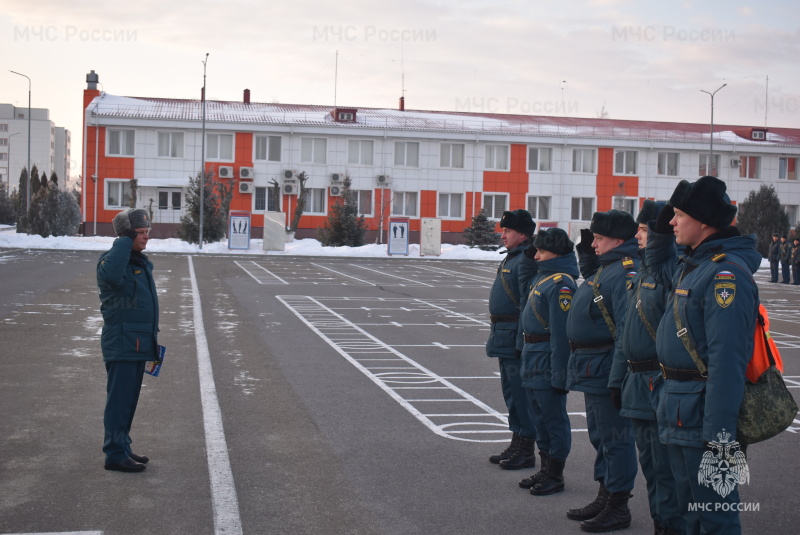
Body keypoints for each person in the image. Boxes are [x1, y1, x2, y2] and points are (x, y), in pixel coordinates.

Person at [656, 176, 760, 534]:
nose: (672, 222)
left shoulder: (724, 274)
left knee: (714, 518)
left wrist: (720, 437)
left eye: (680, 215)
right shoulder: (697, 265)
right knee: (691, 515)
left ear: (702, 222)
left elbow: (727, 361)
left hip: (703, 418)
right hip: (682, 410)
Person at [612, 200, 684, 535]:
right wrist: (617, 380)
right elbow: (625, 332)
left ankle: (670, 526)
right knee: (652, 468)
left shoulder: (672, 269)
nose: (638, 236)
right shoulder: (643, 272)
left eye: (644, 230)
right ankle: (661, 523)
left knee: (667, 470)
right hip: (636, 381)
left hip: (659, 381)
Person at [566, 209, 640, 533]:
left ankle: (618, 505)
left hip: (606, 365)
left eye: (599, 238)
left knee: (616, 438)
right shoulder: (608, 268)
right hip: (592, 366)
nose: (594, 244)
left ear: (619, 240)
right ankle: (605, 492)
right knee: (601, 436)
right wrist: (587, 253)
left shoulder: (625, 272)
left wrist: (617, 377)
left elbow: (625, 328)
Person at [97, 208, 160, 473]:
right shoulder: (111, 262)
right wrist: (124, 240)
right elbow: (112, 277)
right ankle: (114, 454)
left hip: (138, 342)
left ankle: (122, 446)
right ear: (126, 235)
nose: (146, 237)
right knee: (119, 402)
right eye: (140, 233)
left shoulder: (137, 263)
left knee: (129, 401)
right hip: (122, 343)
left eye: (147, 232)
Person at [516, 228, 578, 496]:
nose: (536, 256)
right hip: (533, 355)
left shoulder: (561, 284)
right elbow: (524, 270)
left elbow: (561, 335)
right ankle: (545, 467)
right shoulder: (542, 278)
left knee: (553, 419)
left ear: (556, 253)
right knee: (538, 418)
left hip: (546, 357)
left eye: (541, 251)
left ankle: (555, 473)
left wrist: (560, 374)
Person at [486, 209, 539, 470]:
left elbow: (528, 304)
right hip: (503, 335)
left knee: (521, 395)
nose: (502, 235)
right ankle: (517, 440)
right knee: (511, 394)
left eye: (508, 231)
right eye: (503, 230)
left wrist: (520, 341)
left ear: (523, 234)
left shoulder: (526, 261)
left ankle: (526, 448)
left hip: (514, 335)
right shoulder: (513, 258)